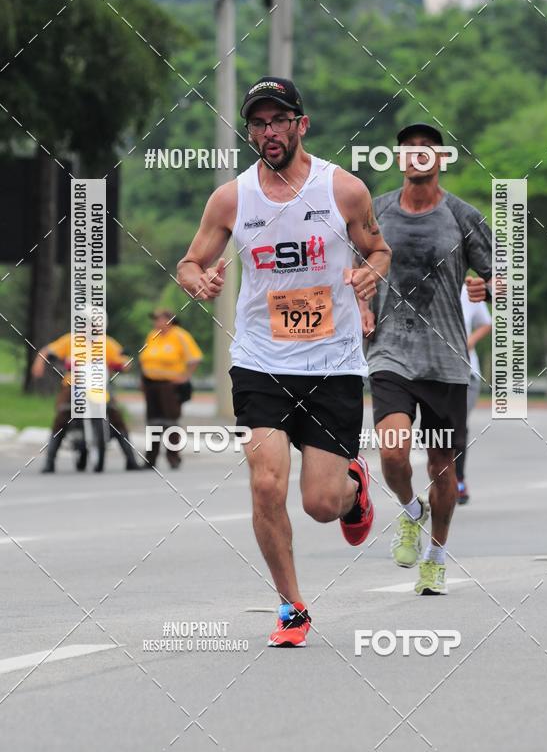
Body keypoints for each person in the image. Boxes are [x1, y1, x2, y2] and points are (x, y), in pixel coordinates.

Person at [177, 76, 391, 648]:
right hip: (260, 361)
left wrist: (371, 272)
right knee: (266, 485)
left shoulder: (343, 191)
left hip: (333, 364)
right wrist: (201, 279)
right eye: (258, 122)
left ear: (302, 124)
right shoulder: (231, 199)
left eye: (278, 120)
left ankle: (354, 489)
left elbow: (378, 247)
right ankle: (292, 606)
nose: (268, 131)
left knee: (321, 504)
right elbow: (190, 262)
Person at [360, 122, 491, 596]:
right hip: (390, 353)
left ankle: (436, 556)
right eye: (408, 150)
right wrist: (360, 308)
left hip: (446, 360)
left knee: (443, 470)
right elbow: (352, 270)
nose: (416, 156)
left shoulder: (462, 216)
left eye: (426, 150)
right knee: (393, 453)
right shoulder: (375, 212)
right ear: (398, 159)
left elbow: (507, 277)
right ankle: (410, 511)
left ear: (441, 159)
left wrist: (487, 285)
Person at [33, 316, 140, 473]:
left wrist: (123, 364)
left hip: (99, 386)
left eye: (94, 325)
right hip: (74, 384)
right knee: (62, 415)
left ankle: (131, 460)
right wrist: (40, 363)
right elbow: (48, 351)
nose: (90, 328)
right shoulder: (70, 340)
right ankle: (49, 462)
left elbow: (123, 359)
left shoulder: (107, 342)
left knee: (115, 415)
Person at [139, 309, 203, 469]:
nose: (156, 323)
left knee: (170, 422)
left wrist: (185, 376)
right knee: (153, 421)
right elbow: (145, 358)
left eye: (159, 319)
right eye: (155, 320)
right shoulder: (152, 335)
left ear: (169, 320)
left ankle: (173, 457)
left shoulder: (180, 335)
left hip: (170, 385)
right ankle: (150, 459)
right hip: (151, 384)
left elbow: (195, 358)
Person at [455, 282, 492, 504]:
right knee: (438, 428)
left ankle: (458, 479)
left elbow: (486, 324)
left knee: (458, 424)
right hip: (434, 374)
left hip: (467, 374)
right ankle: (441, 476)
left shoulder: (468, 290)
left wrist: (469, 342)